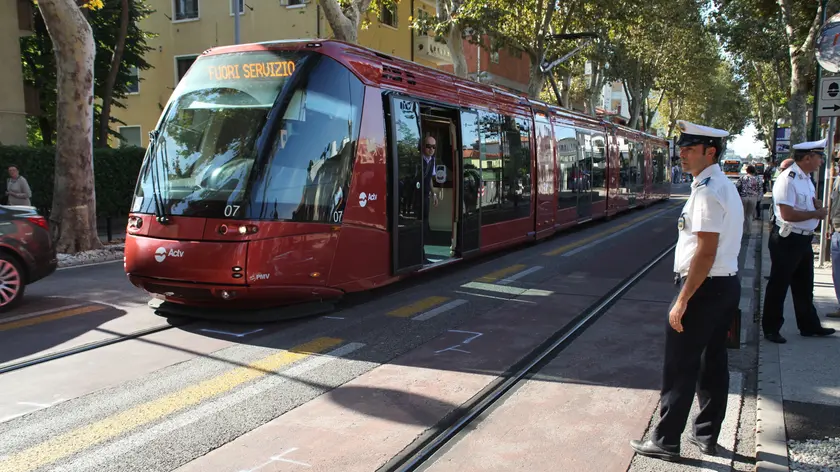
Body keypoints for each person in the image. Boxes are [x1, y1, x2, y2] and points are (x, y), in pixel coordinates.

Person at [630, 120, 743, 462]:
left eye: (689, 149)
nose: (682, 154)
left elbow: (706, 252)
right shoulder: (720, 185)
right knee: (713, 362)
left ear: (710, 152)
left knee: (681, 365)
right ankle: (706, 435)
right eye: (681, 148)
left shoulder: (708, 191)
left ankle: (666, 440)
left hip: (704, 287)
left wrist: (682, 299)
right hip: (724, 285)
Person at [762, 139, 836, 343]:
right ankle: (771, 328)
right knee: (779, 285)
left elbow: (805, 205)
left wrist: (816, 207)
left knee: (804, 285)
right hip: (788, 238)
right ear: (807, 158)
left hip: (803, 240)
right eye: (819, 157)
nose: (821, 161)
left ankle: (809, 325)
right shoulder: (789, 178)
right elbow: (787, 214)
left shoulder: (805, 178)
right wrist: (816, 213)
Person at [736, 165, 762, 234]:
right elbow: (760, 189)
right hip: (753, 198)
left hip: (743, 197)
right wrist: (759, 198)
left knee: (743, 214)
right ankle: (749, 231)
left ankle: (743, 230)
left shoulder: (742, 178)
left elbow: (737, 187)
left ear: (747, 171)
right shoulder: (758, 179)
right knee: (749, 215)